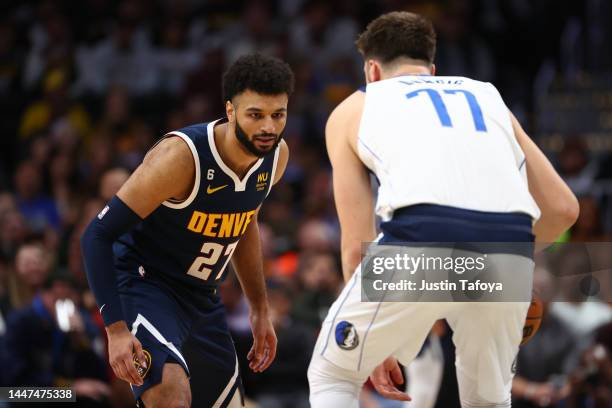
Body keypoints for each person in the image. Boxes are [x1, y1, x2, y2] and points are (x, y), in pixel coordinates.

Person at [307, 11, 579, 408]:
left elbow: (354, 244)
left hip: (419, 240)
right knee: (488, 401)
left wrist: (373, 339)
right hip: (508, 250)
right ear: (431, 70)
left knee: (334, 373)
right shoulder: (488, 95)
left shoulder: (356, 106)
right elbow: (564, 209)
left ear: (372, 71)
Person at [81, 53, 294, 408]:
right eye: (255, 115)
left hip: (201, 297)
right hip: (146, 283)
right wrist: (116, 330)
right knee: (170, 394)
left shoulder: (276, 157)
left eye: (278, 115)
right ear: (230, 110)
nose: (268, 127)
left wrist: (259, 308)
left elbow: (246, 223)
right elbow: (96, 234)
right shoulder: (183, 157)